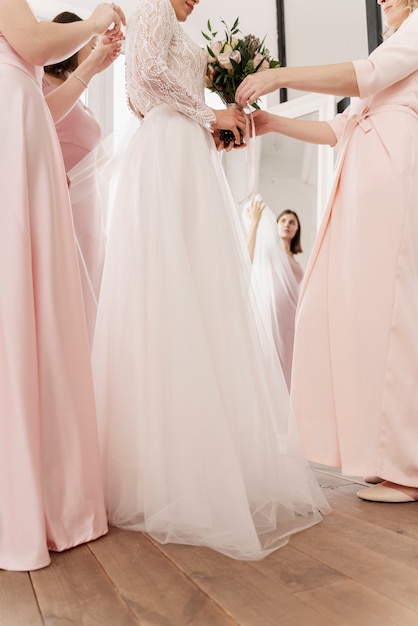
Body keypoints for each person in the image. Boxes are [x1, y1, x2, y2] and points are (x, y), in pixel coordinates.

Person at [91, 0, 329, 561]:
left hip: (188, 152)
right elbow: (142, 84)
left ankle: (203, 456)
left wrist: (216, 123)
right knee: (167, 287)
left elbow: (152, 88)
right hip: (168, 151)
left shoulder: (179, 28)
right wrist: (207, 116)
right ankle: (163, 468)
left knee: (201, 290)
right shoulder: (150, 7)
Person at [236, 0, 418, 503]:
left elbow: (366, 75)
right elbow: (337, 129)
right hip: (360, 182)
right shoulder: (393, 45)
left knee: (392, 315)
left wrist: (278, 76)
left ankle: (406, 464)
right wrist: (274, 124)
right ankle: (385, 453)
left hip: (389, 174)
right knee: (351, 314)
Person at [0, 0, 125, 572]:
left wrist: (89, 68)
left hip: (25, 137)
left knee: (39, 315)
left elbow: (41, 103)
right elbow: (29, 42)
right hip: (14, 145)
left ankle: (45, 495)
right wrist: (95, 20)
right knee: (23, 312)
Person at [43, 12, 123, 348]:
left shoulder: (78, 91)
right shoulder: (39, 83)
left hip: (90, 215)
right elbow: (33, 127)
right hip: (63, 207)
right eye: (85, 44)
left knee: (90, 300)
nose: (90, 50)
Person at [245, 195, 303, 389]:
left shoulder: (296, 263)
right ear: (276, 225)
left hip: (291, 321)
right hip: (270, 316)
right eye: (283, 220)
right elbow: (247, 258)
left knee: (289, 365)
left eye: (292, 222)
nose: (287, 224)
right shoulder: (269, 250)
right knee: (268, 361)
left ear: (296, 230)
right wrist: (254, 222)